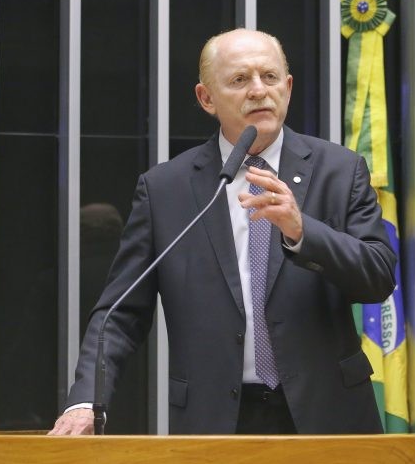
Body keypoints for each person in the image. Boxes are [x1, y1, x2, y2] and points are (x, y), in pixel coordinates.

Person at [49, 28, 396, 435]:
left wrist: (302, 231)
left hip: (328, 414)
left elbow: (378, 277)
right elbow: (119, 313)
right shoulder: (167, 189)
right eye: (238, 80)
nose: (258, 91)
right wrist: (87, 400)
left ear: (287, 87)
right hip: (215, 420)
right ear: (206, 98)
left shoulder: (340, 170)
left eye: (269, 77)